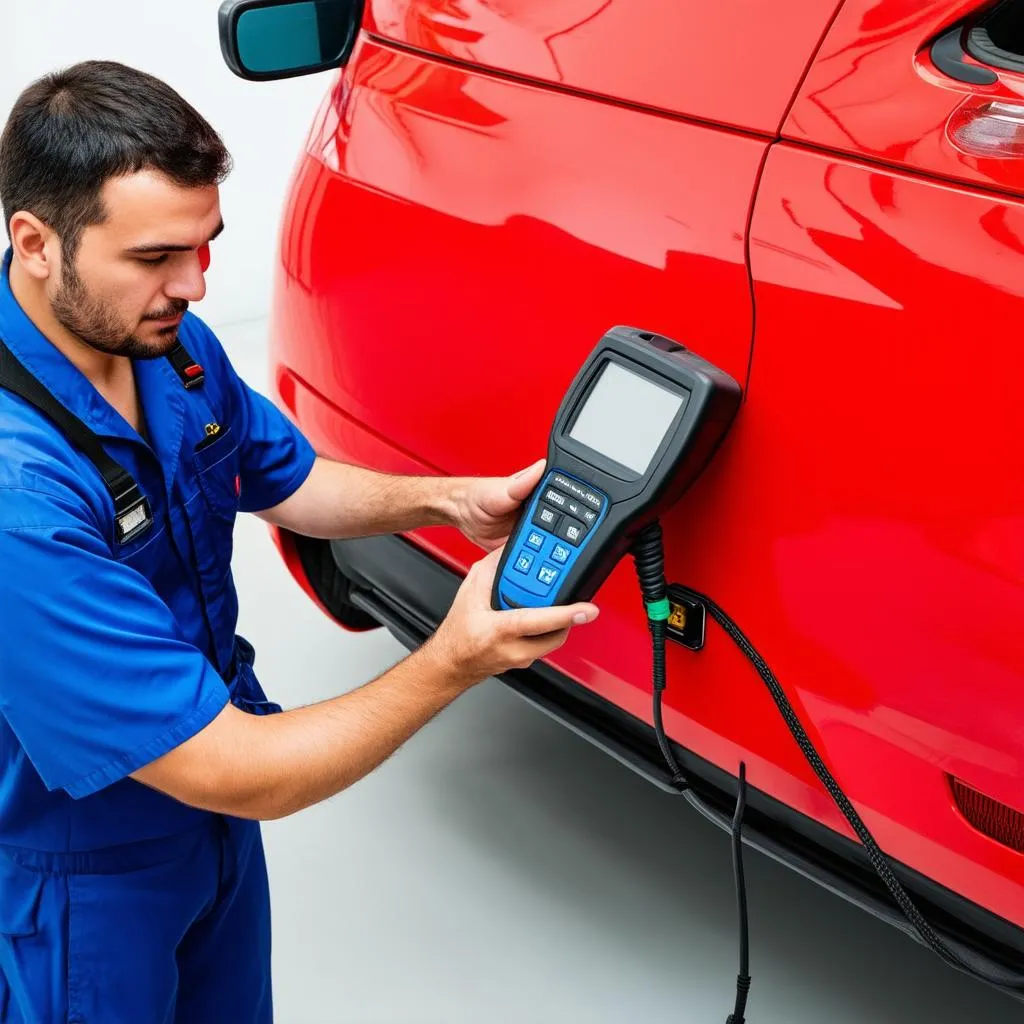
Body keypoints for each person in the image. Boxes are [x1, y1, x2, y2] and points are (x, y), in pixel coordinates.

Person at [0, 61, 599, 1023]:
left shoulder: (163, 343)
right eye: (156, 257)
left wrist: (451, 500)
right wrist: (453, 658)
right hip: (88, 868)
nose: (193, 285)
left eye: (205, 247)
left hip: (217, 828)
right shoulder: (17, 502)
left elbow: (288, 480)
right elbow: (238, 768)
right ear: (35, 242)